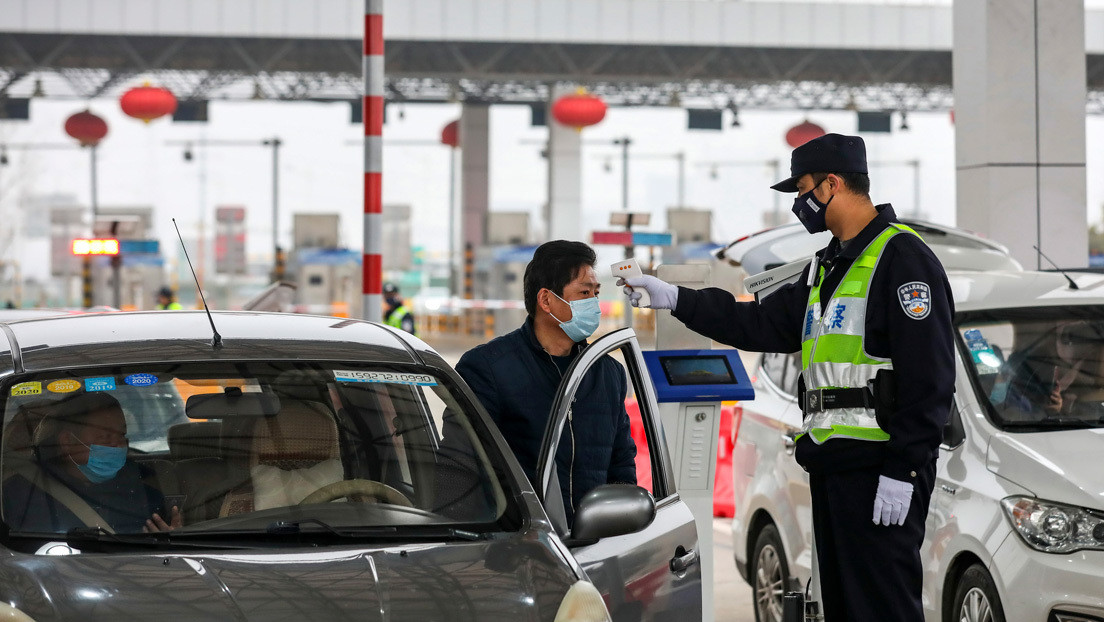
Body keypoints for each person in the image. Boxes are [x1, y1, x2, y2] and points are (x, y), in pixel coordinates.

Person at [620, 134, 954, 621]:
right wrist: (674, 297)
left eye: (802, 190)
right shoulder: (829, 265)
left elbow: (931, 379)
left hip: (879, 471)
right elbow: (759, 322)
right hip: (833, 467)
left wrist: (902, 470)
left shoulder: (903, 260)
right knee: (844, 607)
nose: (799, 204)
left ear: (832, 185)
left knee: (882, 607)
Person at [456, 240, 636, 526]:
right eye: (584, 293)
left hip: (595, 549)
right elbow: (461, 467)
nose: (594, 303)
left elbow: (622, 465)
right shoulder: (488, 368)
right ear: (546, 300)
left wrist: (622, 529)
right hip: (522, 547)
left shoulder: (607, 373)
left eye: (596, 293)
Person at [2, 392, 181, 533]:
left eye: (122, 435)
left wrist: (171, 538)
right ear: (67, 442)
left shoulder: (144, 488)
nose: (118, 445)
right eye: (105, 437)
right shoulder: (19, 496)